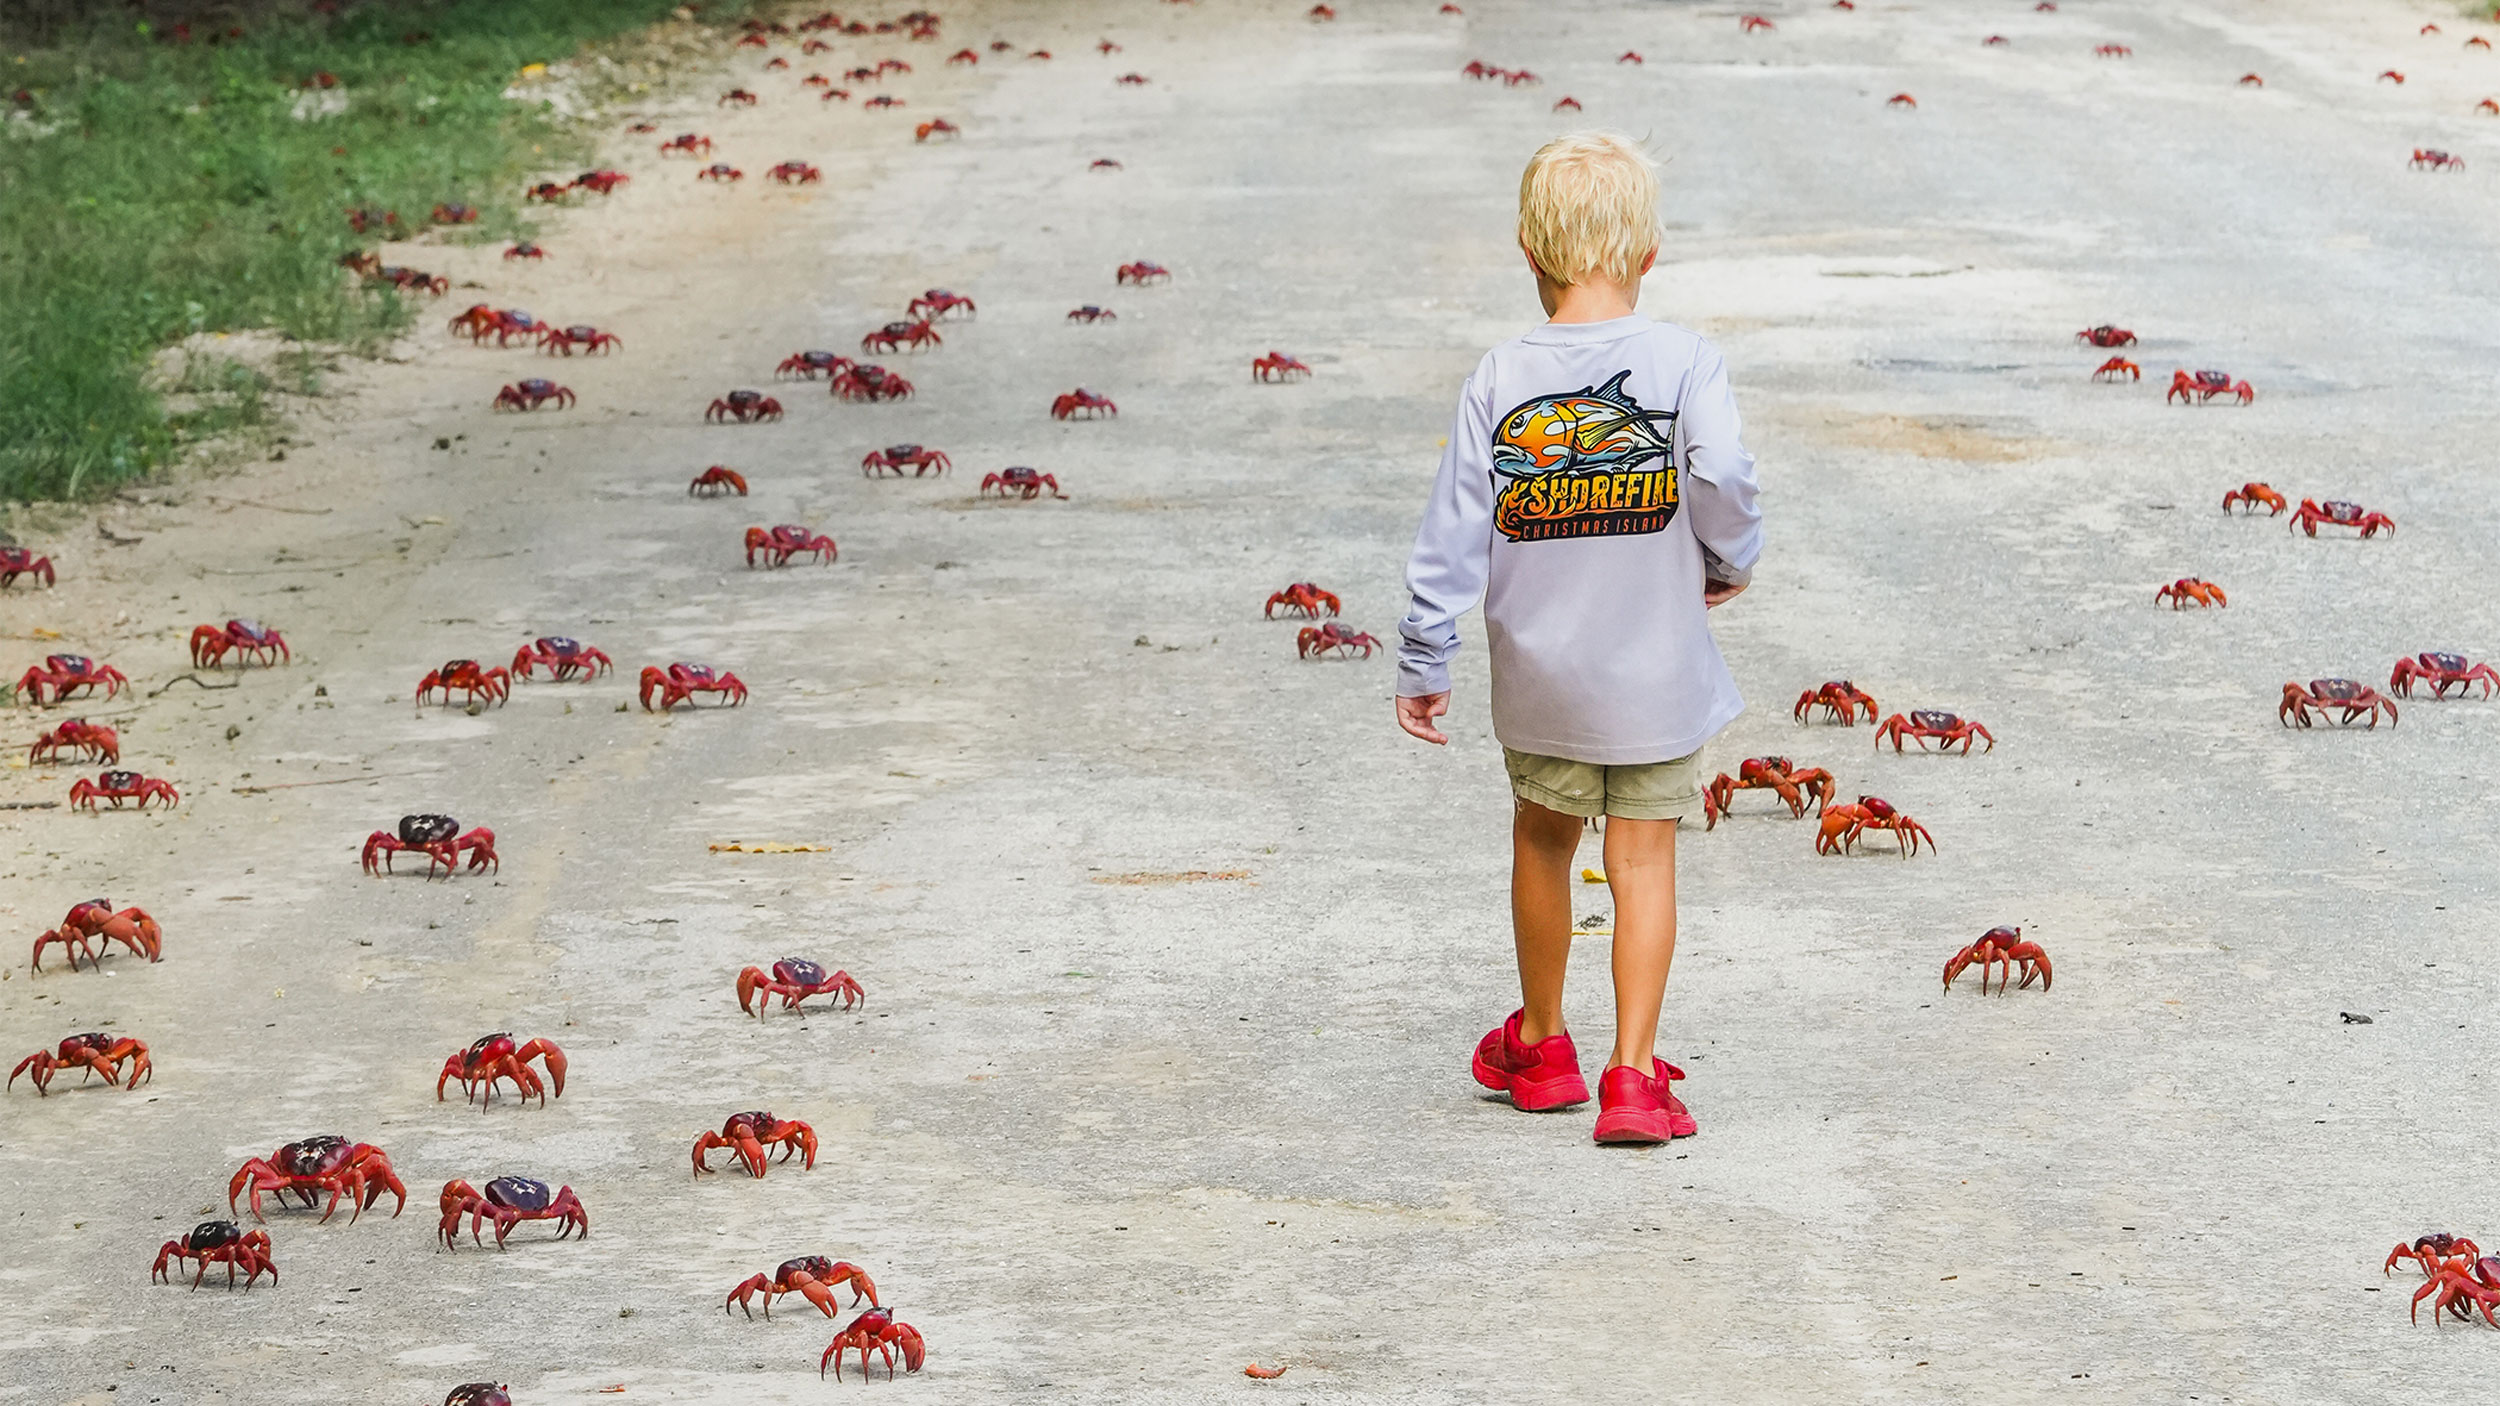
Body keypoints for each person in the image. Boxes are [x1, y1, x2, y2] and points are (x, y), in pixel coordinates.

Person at [1392, 131, 1763, 1146]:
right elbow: (1723, 479)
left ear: (1528, 250)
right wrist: (1727, 561)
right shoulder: (1686, 360)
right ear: (1648, 253)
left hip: (1541, 676)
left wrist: (1426, 657)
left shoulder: (1498, 375)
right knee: (1642, 858)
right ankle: (1633, 1077)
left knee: (1544, 839)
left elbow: (1449, 531)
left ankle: (1544, 1043)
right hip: (1657, 675)